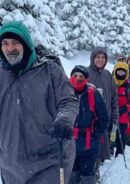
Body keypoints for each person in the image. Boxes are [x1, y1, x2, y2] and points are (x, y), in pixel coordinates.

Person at [0, 21, 78, 184]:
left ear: (26, 44)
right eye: (5, 43)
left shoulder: (50, 70)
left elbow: (68, 100)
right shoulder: (1, 75)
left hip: (50, 161)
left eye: (15, 43)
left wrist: (64, 119)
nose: (10, 48)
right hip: (11, 164)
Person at [68, 65, 109, 184]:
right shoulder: (65, 92)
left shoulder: (93, 94)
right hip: (70, 144)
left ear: (86, 79)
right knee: (72, 175)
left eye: (81, 76)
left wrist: (95, 135)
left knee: (87, 177)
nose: (78, 79)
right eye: (75, 76)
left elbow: (104, 118)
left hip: (89, 145)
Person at [87, 47, 118, 180]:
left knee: (99, 150)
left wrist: (114, 121)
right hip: (87, 122)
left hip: (103, 122)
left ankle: (95, 174)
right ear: (93, 58)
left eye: (103, 57)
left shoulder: (108, 75)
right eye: (98, 57)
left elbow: (114, 100)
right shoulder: (85, 73)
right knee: (86, 151)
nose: (100, 60)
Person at [112, 62, 130, 156]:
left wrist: (126, 108)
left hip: (123, 117)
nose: (120, 73)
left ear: (126, 73)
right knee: (107, 137)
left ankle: (119, 156)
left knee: (120, 139)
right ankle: (106, 155)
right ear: (115, 71)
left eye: (123, 72)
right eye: (118, 71)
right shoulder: (111, 84)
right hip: (111, 116)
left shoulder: (129, 87)